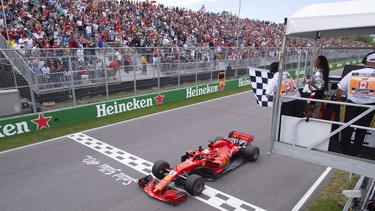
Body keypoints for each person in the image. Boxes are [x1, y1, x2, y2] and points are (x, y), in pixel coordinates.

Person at [336, 53, 375, 156]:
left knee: (348, 127)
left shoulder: (353, 73)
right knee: (361, 130)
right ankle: (356, 151)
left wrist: (339, 99)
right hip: (369, 107)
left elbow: (339, 90)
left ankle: (344, 149)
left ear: (366, 61)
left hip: (352, 105)